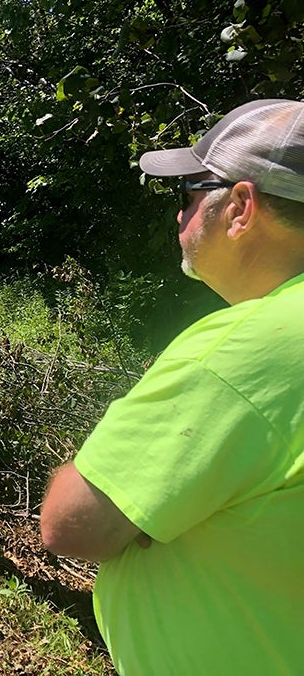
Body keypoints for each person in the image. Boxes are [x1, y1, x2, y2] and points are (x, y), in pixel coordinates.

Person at [40, 99, 304, 675]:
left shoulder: (244, 350)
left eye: (187, 197)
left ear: (240, 207)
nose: (180, 218)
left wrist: (126, 490)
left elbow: (70, 521)